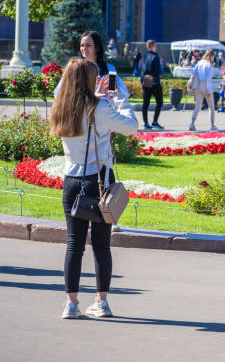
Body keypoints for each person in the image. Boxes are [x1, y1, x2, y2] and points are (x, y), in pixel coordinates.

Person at [50, 58, 138, 319]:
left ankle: (71, 304)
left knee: (73, 244)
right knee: (101, 244)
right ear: (90, 82)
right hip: (98, 181)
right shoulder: (98, 107)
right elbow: (130, 127)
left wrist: (96, 96)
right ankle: (101, 302)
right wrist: (119, 97)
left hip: (71, 180)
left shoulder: (62, 108)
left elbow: (78, 101)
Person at [54, 31, 130, 101]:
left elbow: (124, 94)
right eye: (82, 45)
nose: (84, 49)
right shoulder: (75, 68)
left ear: (97, 48)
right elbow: (57, 93)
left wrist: (112, 88)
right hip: (82, 112)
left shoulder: (109, 69)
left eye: (88, 45)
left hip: (104, 112)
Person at [189, 50, 218, 132]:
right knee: (211, 106)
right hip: (205, 85)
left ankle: (192, 123)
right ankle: (212, 125)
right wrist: (209, 91)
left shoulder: (200, 62)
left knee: (197, 106)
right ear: (211, 56)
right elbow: (209, 79)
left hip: (198, 86)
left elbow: (193, 74)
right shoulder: (209, 65)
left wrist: (190, 83)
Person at [140, 39, 164, 130]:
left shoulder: (144, 56)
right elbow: (157, 70)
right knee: (159, 102)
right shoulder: (156, 57)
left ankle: (146, 123)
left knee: (145, 103)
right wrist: (160, 73)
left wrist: (143, 79)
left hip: (145, 81)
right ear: (153, 46)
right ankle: (154, 121)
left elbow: (140, 69)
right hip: (155, 83)